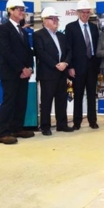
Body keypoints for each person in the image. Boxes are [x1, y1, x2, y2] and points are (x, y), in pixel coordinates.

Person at [0, 0, 35, 144]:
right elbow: (6, 52)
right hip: (10, 73)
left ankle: (17, 128)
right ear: (10, 11)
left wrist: (29, 68)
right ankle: (3, 133)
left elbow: (28, 52)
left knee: (21, 101)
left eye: (23, 9)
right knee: (9, 102)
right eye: (19, 9)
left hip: (23, 73)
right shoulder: (2, 29)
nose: (22, 11)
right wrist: (21, 68)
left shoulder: (23, 32)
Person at [33, 7, 74, 136]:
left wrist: (65, 63)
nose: (56, 21)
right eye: (53, 18)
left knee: (61, 100)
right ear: (45, 20)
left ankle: (62, 124)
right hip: (48, 74)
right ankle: (45, 126)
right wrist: (56, 64)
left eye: (57, 18)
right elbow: (41, 53)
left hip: (62, 73)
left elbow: (69, 51)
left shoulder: (61, 35)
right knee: (46, 101)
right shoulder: (38, 35)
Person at [65, 0, 101, 130]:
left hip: (92, 67)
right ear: (78, 13)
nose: (86, 15)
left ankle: (93, 120)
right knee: (78, 95)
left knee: (92, 95)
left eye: (88, 12)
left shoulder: (93, 27)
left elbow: (96, 47)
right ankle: (77, 122)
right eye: (83, 12)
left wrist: (98, 66)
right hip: (77, 68)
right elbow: (68, 49)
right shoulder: (70, 28)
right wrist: (70, 67)